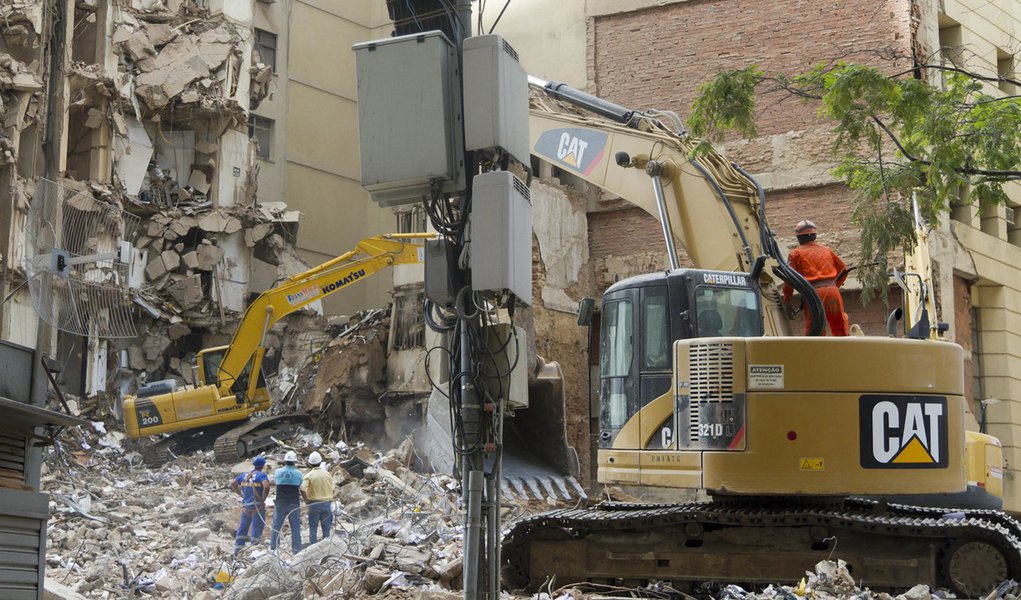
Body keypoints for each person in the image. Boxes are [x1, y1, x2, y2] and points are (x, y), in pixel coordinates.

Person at [782, 220, 850, 336]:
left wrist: (787, 300)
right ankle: (843, 352)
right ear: (814, 236)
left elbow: (789, 278)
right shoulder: (826, 250)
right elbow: (843, 270)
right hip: (832, 292)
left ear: (799, 238)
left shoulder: (795, 254)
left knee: (815, 331)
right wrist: (833, 287)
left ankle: (816, 353)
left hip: (813, 294)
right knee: (840, 328)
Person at [231, 455, 270, 555]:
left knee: (242, 530)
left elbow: (233, 484)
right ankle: (254, 552)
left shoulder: (245, 475)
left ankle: (237, 551)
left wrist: (240, 494)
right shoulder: (262, 475)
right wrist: (263, 498)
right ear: (262, 465)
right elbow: (266, 486)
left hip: (246, 508)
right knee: (256, 531)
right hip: (257, 508)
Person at [269, 450, 304, 553]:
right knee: (295, 528)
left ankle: (273, 548)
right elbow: (300, 484)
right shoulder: (298, 473)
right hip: (294, 503)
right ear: (294, 462)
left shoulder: (278, 472)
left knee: (276, 526)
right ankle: (296, 550)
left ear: (284, 461)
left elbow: (276, 482)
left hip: (280, 503)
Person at [301, 451, 335, 545]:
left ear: (310, 463)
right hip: (327, 504)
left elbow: (302, 488)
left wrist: (307, 500)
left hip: (315, 504)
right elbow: (332, 488)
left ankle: (313, 547)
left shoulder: (309, 475)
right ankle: (326, 547)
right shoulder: (327, 474)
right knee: (326, 528)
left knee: (313, 528)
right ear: (320, 462)